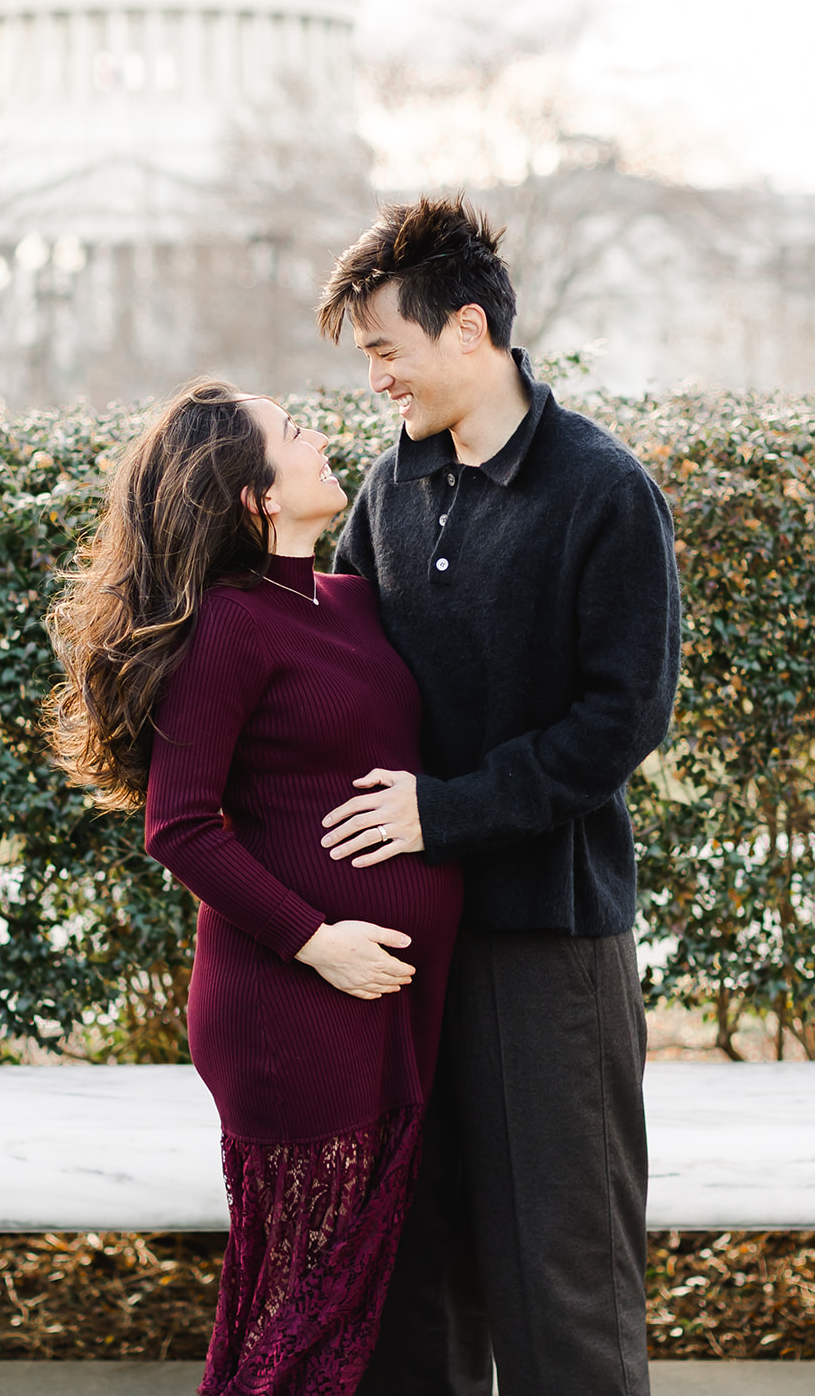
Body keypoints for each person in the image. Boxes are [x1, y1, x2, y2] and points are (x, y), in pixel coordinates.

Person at [314, 196, 681, 1396]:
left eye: (387, 349)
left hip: (544, 947)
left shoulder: (602, 490)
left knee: (559, 1292)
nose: (376, 378)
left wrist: (446, 809)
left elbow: (618, 723)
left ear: (466, 329)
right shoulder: (387, 489)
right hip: (403, 949)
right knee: (408, 1289)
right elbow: (344, 688)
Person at [43, 379, 463, 1396]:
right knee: (302, 1317)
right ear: (252, 498)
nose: (318, 434)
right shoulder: (231, 625)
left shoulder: (353, 599)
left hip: (393, 1000)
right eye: (293, 431)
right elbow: (178, 825)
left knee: (358, 1307)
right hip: (292, 1007)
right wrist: (319, 940)